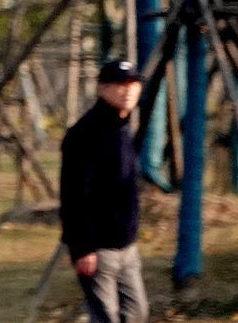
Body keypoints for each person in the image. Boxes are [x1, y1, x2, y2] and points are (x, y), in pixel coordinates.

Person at [59, 59, 149, 323]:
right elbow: (73, 194)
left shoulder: (122, 129)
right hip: (97, 248)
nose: (128, 91)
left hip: (126, 246)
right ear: (102, 89)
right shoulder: (84, 134)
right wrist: (82, 247)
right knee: (106, 317)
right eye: (119, 85)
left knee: (137, 313)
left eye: (133, 84)